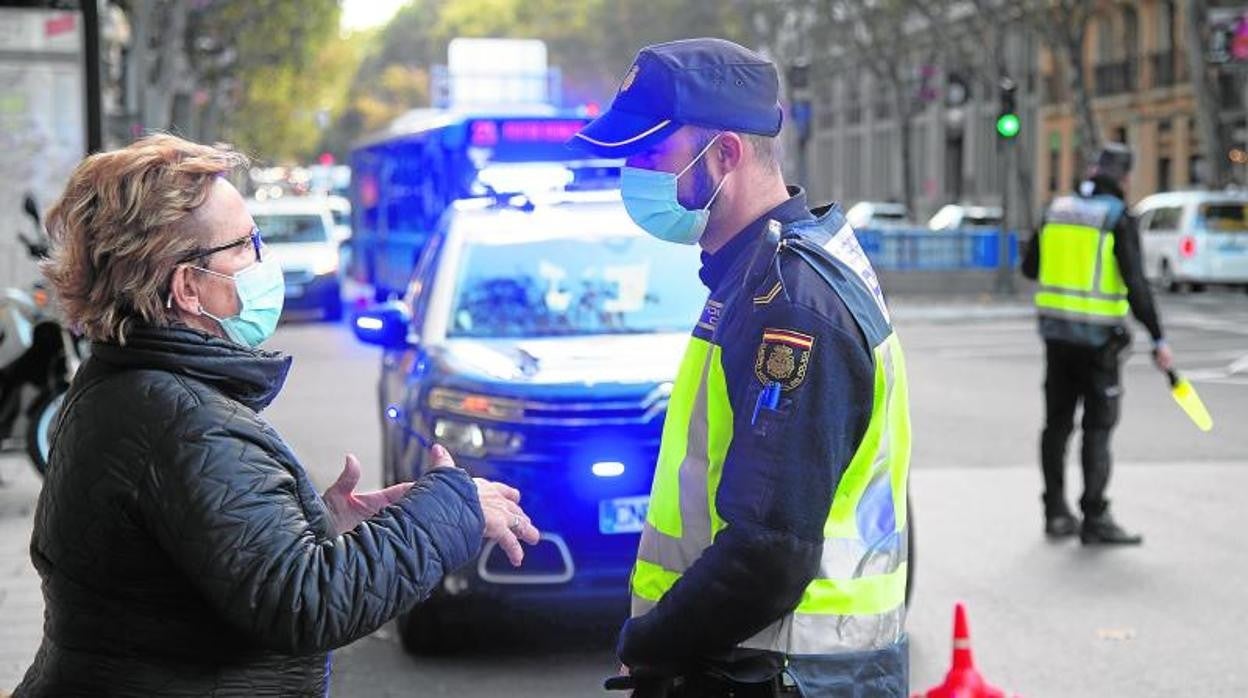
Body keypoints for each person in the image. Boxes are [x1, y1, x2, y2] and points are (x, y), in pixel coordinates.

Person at [14, 134, 539, 696]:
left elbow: (201, 564)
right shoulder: (182, 422)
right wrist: (450, 511)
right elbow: (307, 604)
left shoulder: (121, 386)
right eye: (245, 244)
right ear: (188, 287)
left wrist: (311, 528)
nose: (265, 260)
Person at [572, 38, 911, 697]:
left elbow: (769, 549)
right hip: (763, 666)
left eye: (650, 153)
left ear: (725, 153)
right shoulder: (761, 276)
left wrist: (647, 646)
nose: (632, 175)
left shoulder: (789, 304)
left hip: (775, 674)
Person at [1021, 143, 1174, 545]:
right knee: (1097, 429)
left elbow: (1030, 267)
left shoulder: (1056, 209)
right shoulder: (1116, 218)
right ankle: (1095, 517)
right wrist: (1158, 337)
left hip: (1056, 338)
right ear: (1124, 178)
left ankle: (1055, 511)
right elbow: (1136, 285)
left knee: (1056, 426)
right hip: (1099, 343)